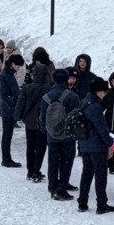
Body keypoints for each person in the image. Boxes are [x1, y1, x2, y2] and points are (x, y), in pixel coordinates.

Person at [75, 77, 114, 213]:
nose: (105, 94)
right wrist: (110, 144)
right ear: (98, 91)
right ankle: (101, 204)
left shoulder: (84, 101)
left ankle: (82, 202)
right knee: (100, 176)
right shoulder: (95, 106)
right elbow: (101, 128)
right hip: (97, 147)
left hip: (85, 144)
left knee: (86, 174)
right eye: (104, 91)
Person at [40, 68, 80, 200]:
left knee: (53, 162)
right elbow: (78, 117)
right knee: (66, 162)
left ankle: (52, 187)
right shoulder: (72, 96)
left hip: (52, 135)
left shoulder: (46, 97)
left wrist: (47, 130)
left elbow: (42, 118)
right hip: (67, 135)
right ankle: (62, 188)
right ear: (66, 79)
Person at [15, 64, 49, 182]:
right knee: (40, 148)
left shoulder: (27, 88)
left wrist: (17, 116)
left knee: (30, 146)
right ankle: (36, 170)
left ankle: (30, 171)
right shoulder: (48, 88)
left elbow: (21, 103)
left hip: (29, 121)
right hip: (42, 122)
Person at [0, 54, 24, 167]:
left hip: (9, 108)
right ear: (12, 64)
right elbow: (5, 94)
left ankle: (6, 158)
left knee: (7, 135)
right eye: (18, 66)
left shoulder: (8, 73)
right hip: (9, 110)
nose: (18, 68)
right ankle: (6, 158)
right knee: (7, 135)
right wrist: (14, 106)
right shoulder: (7, 74)